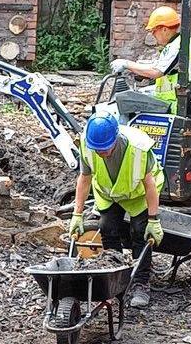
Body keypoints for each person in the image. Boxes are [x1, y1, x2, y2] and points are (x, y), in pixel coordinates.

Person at [67, 114, 164, 309]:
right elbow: (84, 179)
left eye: (105, 149)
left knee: (139, 231)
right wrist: (77, 215)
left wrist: (154, 219)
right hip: (108, 192)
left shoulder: (138, 149)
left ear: (116, 139)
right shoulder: (88, 145)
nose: (101, 153)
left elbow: (149, 184)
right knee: (107, 228)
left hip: (138, 194)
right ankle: (116, 279)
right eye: (98, 149)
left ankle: (140, 283)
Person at [110, 5, 191, 109]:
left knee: (124, 104)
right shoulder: (185, 41)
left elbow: (156, 72)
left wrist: (126, 64)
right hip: (182, 98)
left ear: (164, 29)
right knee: (141, 93)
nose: (152, 34)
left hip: (175, 104)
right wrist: (138, 68)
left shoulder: (177, 46)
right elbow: (166, 67)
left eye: (154, 30)